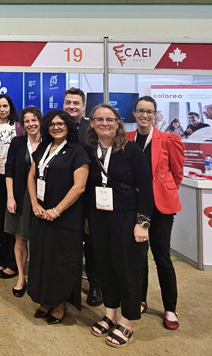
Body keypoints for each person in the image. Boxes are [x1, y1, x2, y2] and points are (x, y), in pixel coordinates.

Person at [85, 104, 153, 348]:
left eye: (109, 119)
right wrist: (87, 219)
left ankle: (127, 320)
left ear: (117, 123)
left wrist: (142, 223)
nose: (104, 123)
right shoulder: (89, 150)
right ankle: (110, 312)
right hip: (98, 217)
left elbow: (147, 188)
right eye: (99, 119)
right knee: (105, 266)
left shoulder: (131, 150)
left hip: (127, 217)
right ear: (92, 123)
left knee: (128, 269)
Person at [127, 96, 184, 330]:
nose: (144, 115)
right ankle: (140, 299)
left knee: (162, 258)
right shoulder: (127, 138)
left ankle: (170, 308)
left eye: (149, 112)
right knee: (138, 257)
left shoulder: (169, 139)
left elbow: (177, 173)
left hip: (161, 207)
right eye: (140, 111)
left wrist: (162, 192)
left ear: (155, 115)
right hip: (135, 206)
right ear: (134, 113)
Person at [27, 110, 89, 324]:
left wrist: (56, 211)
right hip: (40, 213)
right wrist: (34, 203)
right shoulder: (43, 148)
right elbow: (31, 176)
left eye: (61, 123)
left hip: (65, 217)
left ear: (68, 126)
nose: (56, 127)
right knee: (42, 258)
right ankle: (45, 300)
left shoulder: (77, 151)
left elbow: (79, 187)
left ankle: (60, 303)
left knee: (61, 261)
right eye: (52, 124)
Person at [63, 87, 102, 307]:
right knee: (69, 242)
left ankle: (96, 286)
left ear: (84, 106)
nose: (71, 107)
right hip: (63, 192)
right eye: (68, 102)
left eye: (76, 103)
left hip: (89, 194)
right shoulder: (57, 126)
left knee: (92, 243)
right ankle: (70, 285)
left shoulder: (93, 128)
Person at [4, 106, 42, 297]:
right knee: (20, 239)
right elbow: (9, 170)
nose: (31, 124)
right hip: (19, 196)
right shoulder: (17, 143)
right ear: (22, 124)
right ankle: (21, 277)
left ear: (40, 121)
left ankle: (38, 278)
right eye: (27, 121)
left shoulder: (49, 143)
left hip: (42, 198)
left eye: (34, 120)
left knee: (41, 240)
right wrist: (10, 197)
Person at [0, 94, 24, 279]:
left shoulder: (18, 128)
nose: (2, 109)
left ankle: (13, 264)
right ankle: (3, 261)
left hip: (14, 179)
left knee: (13, 222)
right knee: (2, 221)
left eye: (5, 106)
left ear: (10, 108)